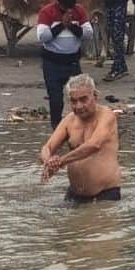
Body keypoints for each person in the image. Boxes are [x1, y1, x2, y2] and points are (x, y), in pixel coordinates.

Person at [39, 74, 122, 204]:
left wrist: (60, 161)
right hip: (74, 195)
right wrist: (48, 161)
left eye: (83, 100)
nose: (78, 106)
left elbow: (94, 145)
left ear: (94, 96)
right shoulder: (69, 120)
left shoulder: (106, 116)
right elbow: (47, 147)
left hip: (105, 195)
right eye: (73, 101)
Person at [38, 0, 93, 128]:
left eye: (71, 7)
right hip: (52, 63)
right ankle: (56, 130)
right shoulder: (47, 12)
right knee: (56, 101)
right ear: (58, 3)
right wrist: (62, 25)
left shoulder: (79, 10)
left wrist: (73, 27)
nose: (69, 11)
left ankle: (80, 128)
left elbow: (88, 34)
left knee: (80, 98)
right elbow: (43, 37)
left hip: (72, 62)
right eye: (65, 8)